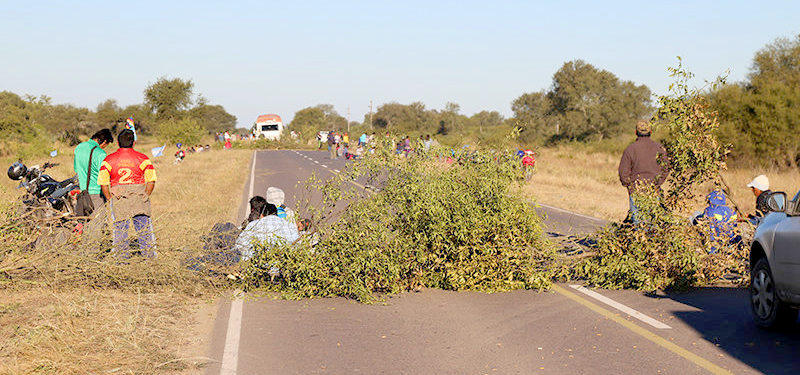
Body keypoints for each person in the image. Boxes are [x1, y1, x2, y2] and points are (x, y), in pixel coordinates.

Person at [98, 129, 158, 258]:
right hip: (139, 197)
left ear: (118, 143)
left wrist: (110, 199)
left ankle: (121, 259)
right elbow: (151, 181)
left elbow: (103, 184)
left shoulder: (108, 160)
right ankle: (149, 257)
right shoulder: (143, 158)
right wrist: (145, 195)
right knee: (144, 229)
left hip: (119, 198)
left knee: (120, 230)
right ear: (133, 143)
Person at [618, 120, 668, 224]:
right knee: (654, 226)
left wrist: (631, 186)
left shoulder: (630, 149)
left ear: (636, 132)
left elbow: (623, 174)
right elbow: (665, 169)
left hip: (636, 192)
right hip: (654, 191)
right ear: (650, 131)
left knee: (640, 228)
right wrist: (657, 183)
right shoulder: (659, 148)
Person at [235, 203, 299, 262]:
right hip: (283, 265)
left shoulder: (254, 224)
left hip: (258, 265)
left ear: (262, 215)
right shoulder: (289, 225)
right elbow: (298, 245)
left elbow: (239, 245)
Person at [73, 129, 114, 215]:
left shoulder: (79, 148)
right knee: (97, 224)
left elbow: (77, 170)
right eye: (105, 145)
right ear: (104, 142)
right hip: (96, 193)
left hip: (82, 193)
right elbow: (104, 175)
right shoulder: (100, 153)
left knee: (84, 223)